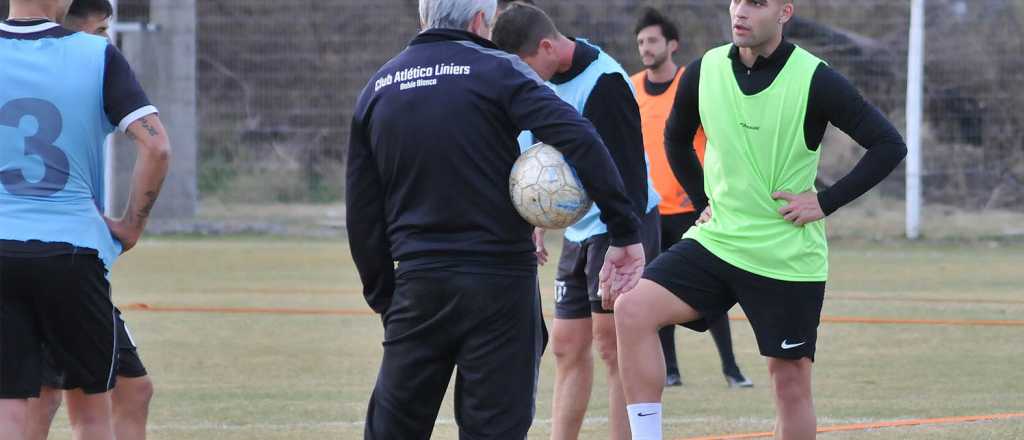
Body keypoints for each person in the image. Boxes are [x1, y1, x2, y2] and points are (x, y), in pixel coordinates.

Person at [347, 0, 645, 438]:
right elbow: (579, 136)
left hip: (418, 285)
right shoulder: (500, 71)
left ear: (423, 20)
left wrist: (383, 295)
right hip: (500, 287)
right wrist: (623, 229)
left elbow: (362, 210)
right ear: (479, 21)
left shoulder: (378, 87)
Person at [611, 1, 907, 439]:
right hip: (718, 241)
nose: (740, 12)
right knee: (631, 309)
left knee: (789, 384)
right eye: (736, 2)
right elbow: (675, 138)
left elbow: (888, 144)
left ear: (784, 12)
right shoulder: (704, 70)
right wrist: (701, 198)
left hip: (785, 253)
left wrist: (825, 202)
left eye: (756, 3)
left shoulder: (815, 78)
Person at [0, 0, 170, 438]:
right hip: (72, 251)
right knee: (93, 411)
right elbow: (156, 147)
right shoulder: (95, 56)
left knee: (13, 411)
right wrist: (132, 224)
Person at [492, 4, 660, 440]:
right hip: (578, 230)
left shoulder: (605, 84)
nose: (522, 77)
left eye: (525, 66)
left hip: (621, 224)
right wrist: (536, 220)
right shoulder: (531, 85)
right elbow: (535, 163)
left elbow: (629, 178)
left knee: (612, 345)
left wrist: (626, 239)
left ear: (547, 47)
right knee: (566, 346)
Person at [630, 6, 751, 389]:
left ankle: (731, 369)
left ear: (672, 45)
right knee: (656, 289)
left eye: (652, 41)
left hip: (693, 209)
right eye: (641, 43)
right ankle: (671, 370)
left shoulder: (693, 82)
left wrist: (704, 190)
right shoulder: (631, 87)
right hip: (649, 210)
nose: (646, 49)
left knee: (709, 294)